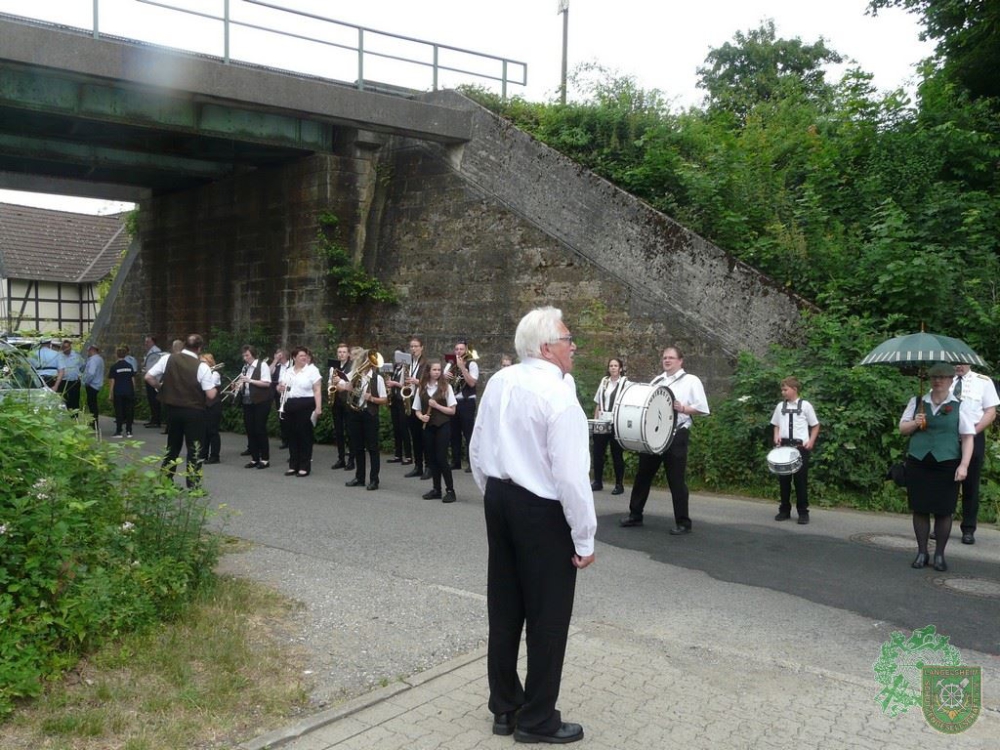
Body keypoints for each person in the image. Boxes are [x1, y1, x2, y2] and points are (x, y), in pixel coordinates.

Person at [469, 306, 596, 745]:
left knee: (504, 608)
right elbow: (571, 477)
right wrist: (584, 537)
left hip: (500, 498)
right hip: (541, 508)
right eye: (567, 338)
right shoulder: (558, 394)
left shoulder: (500, 381)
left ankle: (505, 706)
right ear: (546, 347)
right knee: (548, 617)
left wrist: (492, 489)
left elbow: (478, 445)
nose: (573, 345)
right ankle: (537, 719)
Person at [620, 346, 709, 534]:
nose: (667, 360)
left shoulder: (691, 381)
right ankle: (635, 515)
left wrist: (684, 409)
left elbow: (702, 408)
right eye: (664, 358)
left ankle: (683, 523)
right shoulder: (658, 380)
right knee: (642, 475)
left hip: (677, 435)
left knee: (676, 481)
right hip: (654, 436)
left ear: (680, 361)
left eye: (671, 358)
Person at [899, 362, 974, 572]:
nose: (938, 380)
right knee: (920, 508)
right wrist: (915, 423)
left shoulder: (961, 405)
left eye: (943, 377)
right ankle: (922, 551)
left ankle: (939, 554)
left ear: (951, 381)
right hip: (918, 461)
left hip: (947, 463)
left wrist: (964, 465)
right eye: (934, 377)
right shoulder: (917, 402)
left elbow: (968, 438)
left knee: (944, 511)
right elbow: (902, 429)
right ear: (929, 380)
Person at [144, 334, 217, 487]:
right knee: (194, 448)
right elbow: (210, 394)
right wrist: (215, 387)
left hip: (172, 410)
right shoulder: (201, 366)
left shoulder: (168, 359)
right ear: (199, 348)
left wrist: (159, 387)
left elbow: (148, 377)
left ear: (184, 345)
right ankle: (193, 485)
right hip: (194, 411)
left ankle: (166, 482)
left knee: (173, 447)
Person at [952, 363, 998, 544]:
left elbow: (991, 412)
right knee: (947, 481)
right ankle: (942, 522)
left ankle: (968, 528)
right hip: (949, 437)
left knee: (971, 483)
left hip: (974, 435)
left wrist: (972, 431)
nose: (959, 366)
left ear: (969, 363)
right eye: (955, 362)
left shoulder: (983, 382)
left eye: (962, 363)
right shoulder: (945, 380)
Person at [770, 376, 820, 524]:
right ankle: (784, 510)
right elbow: (776, 424)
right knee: (784, 481)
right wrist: (776, 435)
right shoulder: (780, 406)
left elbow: (815, 425)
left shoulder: (805, 406)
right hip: (784, 447)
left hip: (800, 449)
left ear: (794, 389)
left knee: (800, 481)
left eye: (785, 389)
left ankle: (803, 512)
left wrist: (811, 441)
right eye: (782, 390)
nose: (783, 392)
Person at [337, 349, 388, 491]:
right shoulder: (354, 374)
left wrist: (371, 398)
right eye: (365, 360)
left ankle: (374, 480)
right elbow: (339, 386)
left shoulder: (377, 378)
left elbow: (384, 399)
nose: (368, 363)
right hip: (354, 413)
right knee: (357, 447)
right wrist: (346, 386)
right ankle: (359, 477)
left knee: (372, 448)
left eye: (370, 361)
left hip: (369, 414)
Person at [414, 360, 458, 503]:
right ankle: (436, 489)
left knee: (441, 458)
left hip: (443, 425)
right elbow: (417, 409)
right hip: (429, 427)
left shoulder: (446, 387)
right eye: (434, 370)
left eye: (439, 370)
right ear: (428, 371)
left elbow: (452, 411)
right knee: (432, 459)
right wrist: (421, 416)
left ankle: (450, 490)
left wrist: (437, 406)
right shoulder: (421, 387)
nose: (437, 372)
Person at [279, 346, 323, 477]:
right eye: (301, 356)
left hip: (306, 404)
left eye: (305, 355)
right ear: (294, 358)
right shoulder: (288, 371)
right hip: (290, 404)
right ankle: (293, 465)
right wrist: (279, 387)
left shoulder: (312, 370)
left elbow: (317, 390)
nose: (304, 358)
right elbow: (280, 386)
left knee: (304, 436)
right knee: (292, 436)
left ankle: (304, 466)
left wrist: (318, 407)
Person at [591, 357, 628, 495]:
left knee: (616, 453)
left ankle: (619, 484)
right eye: (611, 365)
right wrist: (596, 421)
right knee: (598, 452)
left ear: (620, 368)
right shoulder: (604, 382)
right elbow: (598, 402)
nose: (613, 368)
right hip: (602, 421)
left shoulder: (626, 383)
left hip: (616, 422)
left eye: (615, 365)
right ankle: (598, 481)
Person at [237, 345, 272, 470]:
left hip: (261, 401)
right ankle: (254, 458)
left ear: (253, 354)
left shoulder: (262, 365)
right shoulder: (245, 368)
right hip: (247, 401)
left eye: (247, 355)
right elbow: (243, 384)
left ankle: (265, 459)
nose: (245, 358)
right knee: (250, 429)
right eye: (244, 355)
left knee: (259, 429)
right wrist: (237, 386)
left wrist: (250, 381)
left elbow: (267, 383)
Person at [448, 338, 479, 472]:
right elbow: (444, 381)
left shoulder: (472, 364)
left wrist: (462, 368)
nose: (459, 352)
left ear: (466, 350)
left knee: (468, 433)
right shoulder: (450, 364)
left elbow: (472, 383)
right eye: (457, 349)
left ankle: (471, 463)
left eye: (461, 349)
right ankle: (456, 461)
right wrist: (446, 377)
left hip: (467, 401)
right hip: (453, 401)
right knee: (454, 433)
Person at [404, 336, 430, 480]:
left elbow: (431, 382)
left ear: (421, 348)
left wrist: (417, 381)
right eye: (411, 346)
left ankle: (429, 466)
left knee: (424, 437)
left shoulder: (426, 364)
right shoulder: (409, 363)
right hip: (411, 400)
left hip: (422, 402)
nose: (413, 349)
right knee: (415, 436)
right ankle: (418, 466)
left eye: (415, 346)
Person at [328, 343, 354, 471]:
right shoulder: (333, 367)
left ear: (348, 354)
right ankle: (341, 458)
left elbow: (352, 384)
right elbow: (329, 381)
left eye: (344, 352)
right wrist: (330, 387)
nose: (341, 354)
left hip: (348, 401)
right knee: (338, 431)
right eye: (339, 352)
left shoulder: (353, 367)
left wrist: (340, 382)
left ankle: (352, 459)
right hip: (337, 401)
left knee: (350, 431)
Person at [385, 348, 413, 466]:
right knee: (396, 428)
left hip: (403, 400)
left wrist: (394, 384)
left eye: (399, 355)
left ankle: (408, 456)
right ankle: (398, 454)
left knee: (403, 428)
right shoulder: (395, 368)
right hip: (395, 400)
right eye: (396, 356)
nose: (397, 358)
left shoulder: (407, 368)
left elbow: (407, 385)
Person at [108, 346, 137, 438]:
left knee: (119, 412)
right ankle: (129, 431)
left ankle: (119, 431)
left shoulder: (114, 367)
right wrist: (133, 390)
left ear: (116, 355)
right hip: (129, 391)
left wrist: (110, 394)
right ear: (125, 355)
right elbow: (133, 380)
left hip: (118, 392)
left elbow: (112, 382)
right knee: (128, 411)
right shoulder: (129, 366)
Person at [200, 352, 223, 464]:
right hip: (204, 405)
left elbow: (208, 386)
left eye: (204, 362)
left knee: (212, 431)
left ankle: (215, 456)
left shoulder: (215, 374)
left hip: (214, 405)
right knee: (204, 431)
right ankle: (203, 454)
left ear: (209, 363)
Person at [57, 339, 85, 412]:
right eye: (64, 347)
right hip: (63, 381)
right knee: (63, 400)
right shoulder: (59, 356)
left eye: (67, 347)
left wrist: (79, 374)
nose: (66, 349)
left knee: (75, 401)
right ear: (62, 348)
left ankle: (75, 418)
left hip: (74, 382)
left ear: (70, 347)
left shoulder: (76, 355)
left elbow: (82, 366)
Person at [142, 335, 164, 428]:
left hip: (154, 378)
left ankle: (156, 419)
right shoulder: (151, 351)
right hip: (151, 377)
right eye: (145, 342)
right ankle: (154, 418)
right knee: (151, 399)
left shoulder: (156, 352)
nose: (146, 343)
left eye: (148, 342)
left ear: (153, 342)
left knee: (154, 399)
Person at [271, 348, 290, 449]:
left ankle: (291, 440)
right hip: (278, 394)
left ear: (283, 355)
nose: (277, 356)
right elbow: (269, 372)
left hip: (289, 394)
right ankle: (285, 440)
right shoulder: (277, 366)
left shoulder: (291, 366)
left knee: (290, 417)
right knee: (281, 417)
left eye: (278, 355)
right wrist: (275, 360)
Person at [82, 345, 105, 430]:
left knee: (92, 405)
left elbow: (91, 373)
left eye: (88, 351)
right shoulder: (100, 359)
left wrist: (86, 381)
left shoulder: (93, 360)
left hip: (92, 385)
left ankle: (93, 423)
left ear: (92, 350)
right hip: (97, 384)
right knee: (93, 404)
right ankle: (94, 422)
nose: (87, 353)